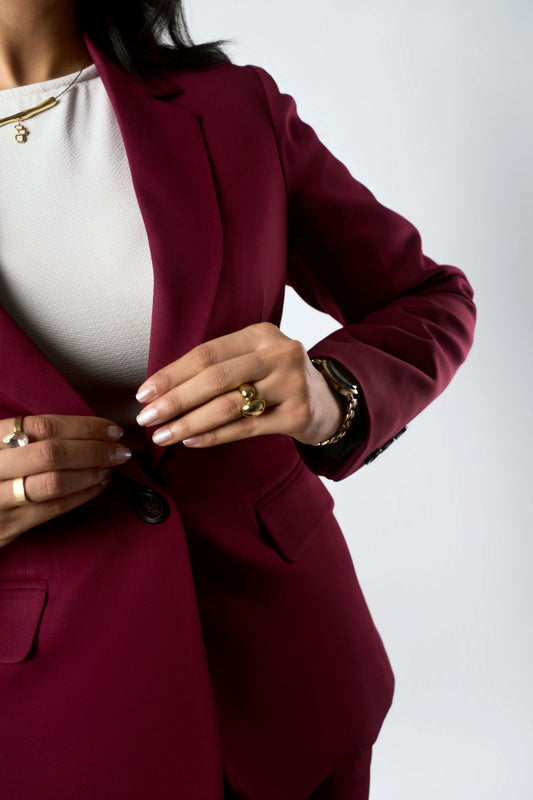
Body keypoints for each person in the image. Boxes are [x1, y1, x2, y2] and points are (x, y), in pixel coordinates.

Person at [0, 1, 476, 798]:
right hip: (52, 716)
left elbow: (428, 299)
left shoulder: (231, 108)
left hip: (289, 676)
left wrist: (330, 394)